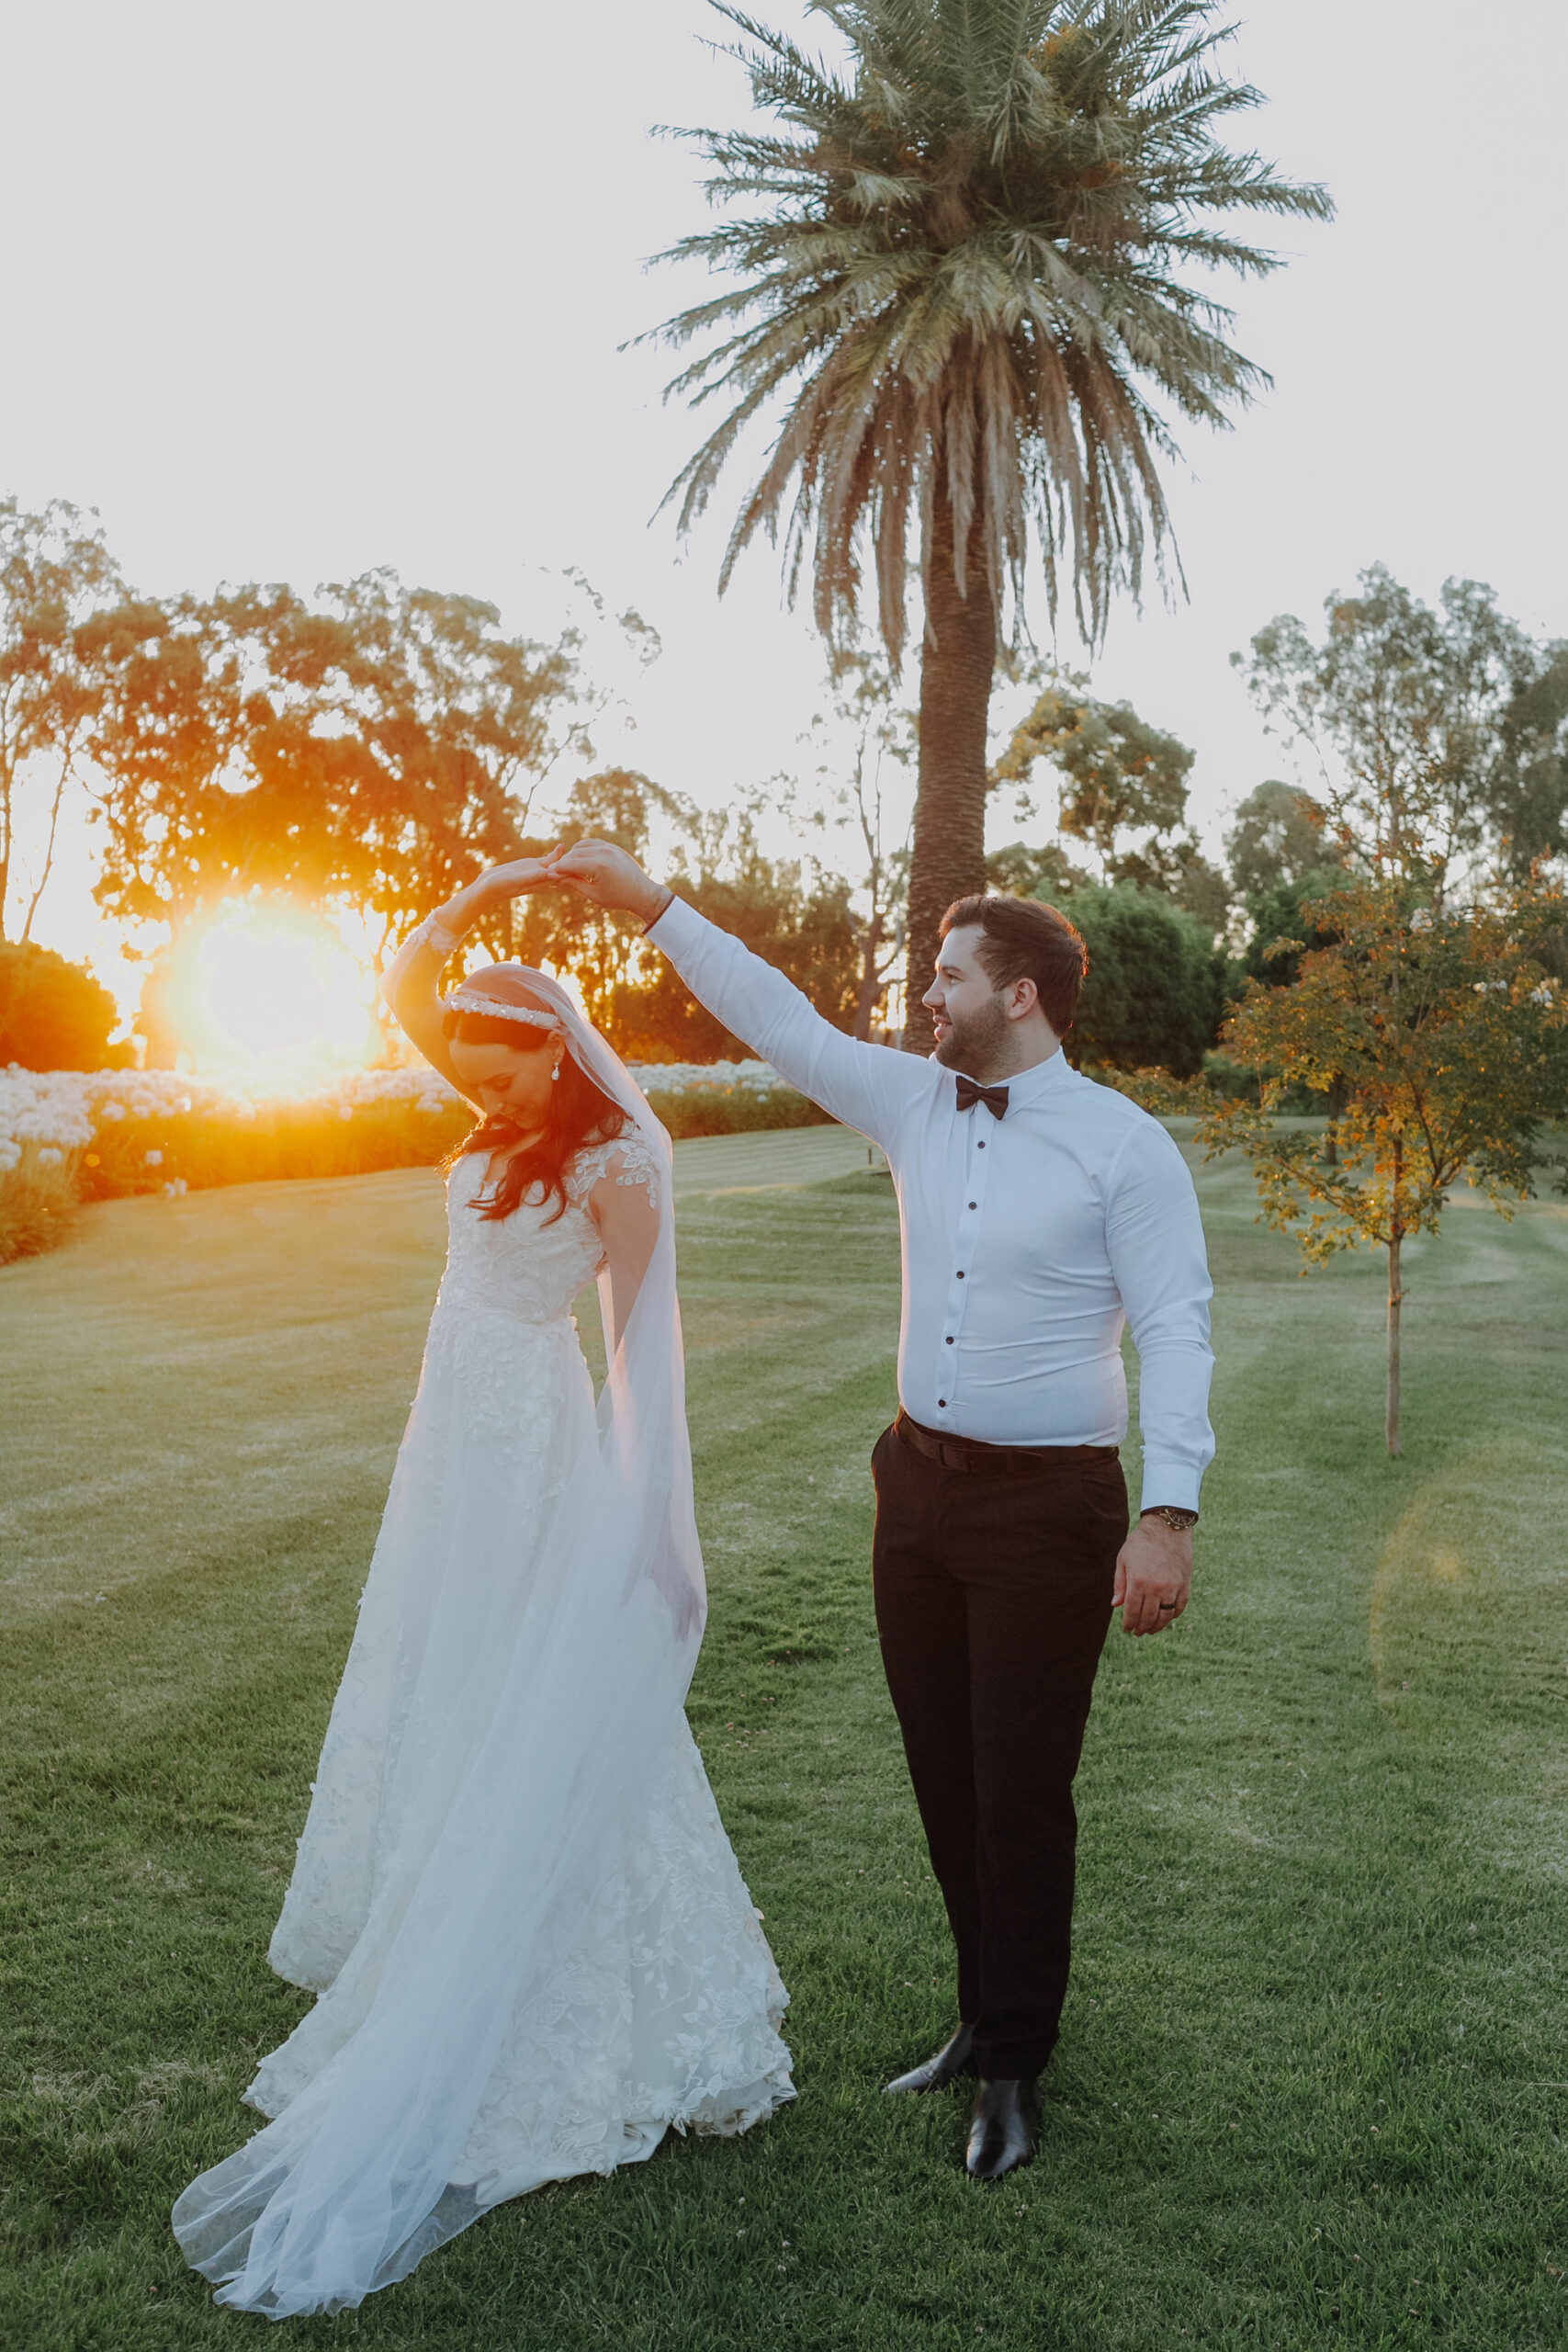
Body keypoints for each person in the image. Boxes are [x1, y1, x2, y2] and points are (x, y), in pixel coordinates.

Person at [173, 858, 793, 2317]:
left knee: (534, 1680)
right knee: (442, 1669)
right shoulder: (482, 1121)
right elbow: (402, 993)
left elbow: (641, 1350)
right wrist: (488, 893)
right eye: (468, 1061)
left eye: (504, 1063)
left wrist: (652, 1527)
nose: (478, 1082)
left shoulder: (615, 1166)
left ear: (558, 1056)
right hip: (450, 1439)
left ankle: (552, 1960)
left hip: (536, 1440)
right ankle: (430, 1894)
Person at [548, 842, 1214, 2182]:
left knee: (1020, 1793)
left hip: (1050, 1509)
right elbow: (780, 1017)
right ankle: (979, 2018)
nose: (926, 997)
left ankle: (1017, 2068)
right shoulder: (914, 1102)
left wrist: (1169, 1513)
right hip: (914, 1489)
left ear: (1018, 996)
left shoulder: (1123, 1148)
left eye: (948, 976)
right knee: (942, 1775)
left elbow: (1177, 1325)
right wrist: (652, 905)